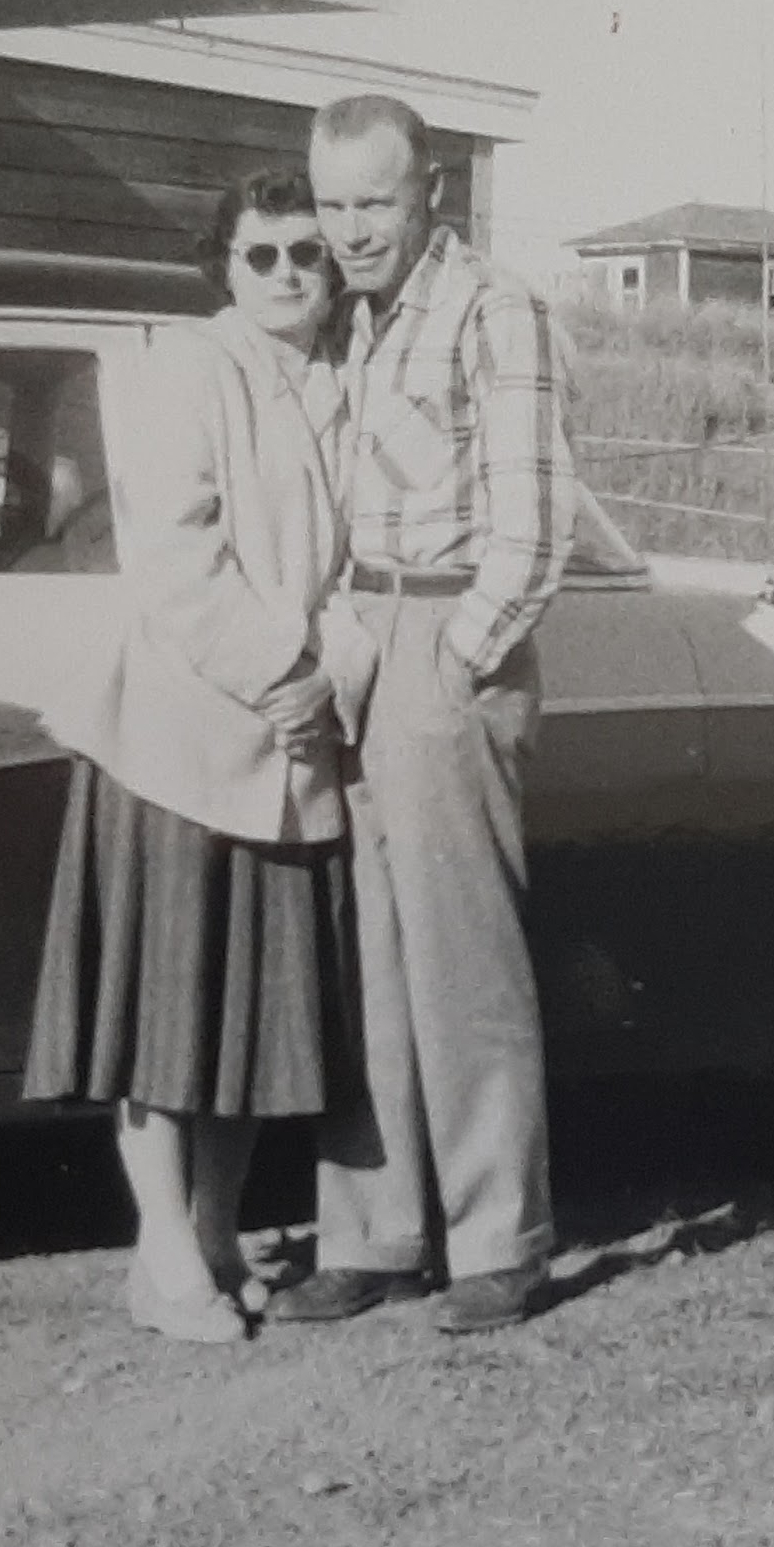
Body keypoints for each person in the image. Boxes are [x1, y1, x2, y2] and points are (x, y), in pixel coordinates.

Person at [25, 168, 371, 1344]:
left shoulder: (344, 380)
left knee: (251, 1016)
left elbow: (360, 563)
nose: (285, 274)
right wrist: (285, 677)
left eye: (306, 253)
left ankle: (216, 1231)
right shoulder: (185, 367)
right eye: (259, 253)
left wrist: (329, 679)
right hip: (177, 740)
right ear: (222, 267)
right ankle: (164, 1260)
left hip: (290, 751)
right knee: (162, 1016)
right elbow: (173, 559)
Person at [268, 93, 579, 1337]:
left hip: (446, 634)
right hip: (358, 636)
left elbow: (534, 528)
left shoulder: (493, 310)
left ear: (430, 194)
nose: (349, 230)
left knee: (462, 961)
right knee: (369, 958)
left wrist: (453, 661)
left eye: (374, 204)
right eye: (331, 203)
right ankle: (374, 1237)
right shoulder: (350, 317)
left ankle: (499, 1243)